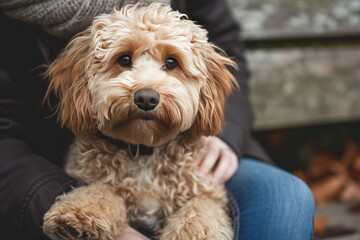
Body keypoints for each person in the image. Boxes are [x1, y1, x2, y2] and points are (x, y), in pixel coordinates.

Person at [0, 0, 315, 239]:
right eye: (124, 60)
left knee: (286, 199)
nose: (147, 91)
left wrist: (224, 133)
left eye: (171, 62)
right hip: (35, 174)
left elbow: (223, 42)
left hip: (200, 152)